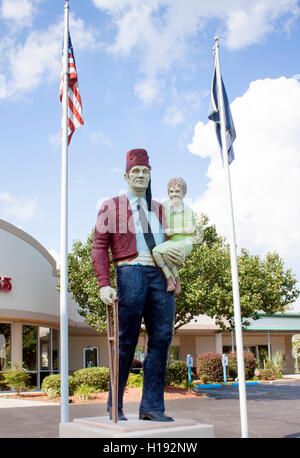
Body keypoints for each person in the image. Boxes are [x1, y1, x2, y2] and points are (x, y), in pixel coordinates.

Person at [92, 148, 185, 422]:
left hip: (160, 274)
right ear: (126, 175)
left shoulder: (160, 208)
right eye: (136, 172)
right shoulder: (111, 205)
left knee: (162, 338)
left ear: (150, 175)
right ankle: (115, 406)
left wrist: (176, 261)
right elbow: (99, 246)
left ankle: (152, 407)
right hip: (129, 271)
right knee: (125, 341)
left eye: (145, 171)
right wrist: (103, 284)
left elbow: (172, 241)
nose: (141, 176)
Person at [152, 177, 195, 295]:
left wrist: (173, 231)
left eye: (177, 191)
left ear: (183, 193)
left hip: (184, 241)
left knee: (166, 253)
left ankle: (177, 280)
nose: (174, 194)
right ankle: (170, 278)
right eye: (171, 191)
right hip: (171, 241)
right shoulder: (165, 206)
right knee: (156, 251)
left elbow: (191, 229)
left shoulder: (187, 210)